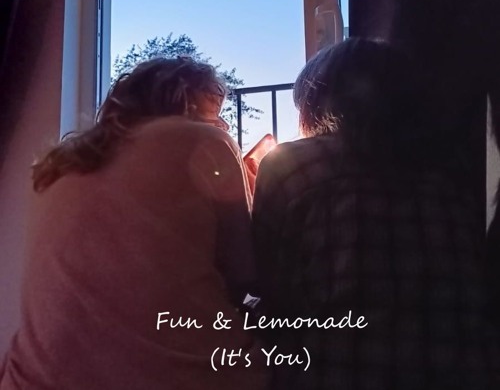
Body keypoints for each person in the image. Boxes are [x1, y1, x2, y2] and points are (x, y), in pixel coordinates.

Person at [0, 57, 268, 390]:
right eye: (216, 114)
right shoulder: (205, 141)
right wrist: (252, 193)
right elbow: (245, 277)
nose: (223, 126)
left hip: (32, 378)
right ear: (185, 100)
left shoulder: (57, 165)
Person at [252, 38, 499, 389]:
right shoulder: (452, 168)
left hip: (336, 371)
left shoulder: (292, 164)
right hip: (466, 371)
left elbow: (266, 280)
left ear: (316, 103)